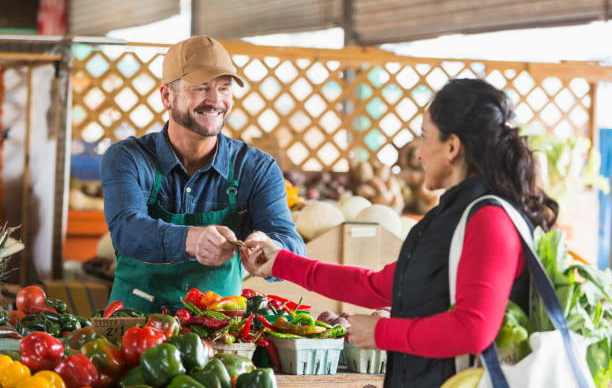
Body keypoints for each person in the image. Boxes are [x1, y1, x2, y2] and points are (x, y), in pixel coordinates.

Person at [240, 78, 558, 387]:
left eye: (424, 137)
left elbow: (474, 329)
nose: (419, 153)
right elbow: (374, 286)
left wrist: (381, 332)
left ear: (452, 146)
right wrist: (279, 262)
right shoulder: (452, 217)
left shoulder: (490, 219)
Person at [101, 35, 305, 313]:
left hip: (221, 330)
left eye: (224, 88)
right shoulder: (127, 158)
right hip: (132, 326)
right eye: (201, 88)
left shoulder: (257, 168)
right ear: (166, 96)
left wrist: (272, 247)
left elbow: (292, 243)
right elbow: (126, 230)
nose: (215, 100)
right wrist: (190, 240)